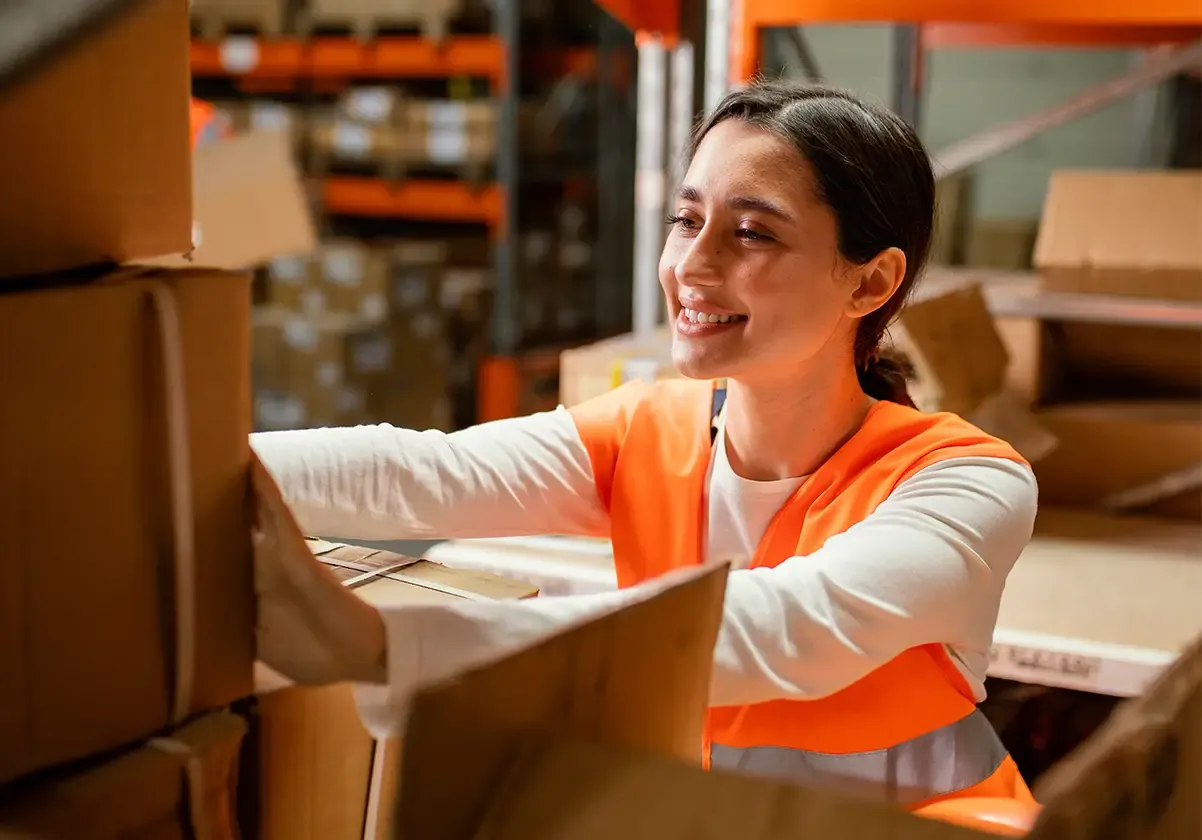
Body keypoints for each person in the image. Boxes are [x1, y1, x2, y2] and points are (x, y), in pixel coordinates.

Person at [250, 80, 1040, 810]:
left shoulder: (965, 482)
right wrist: (181, 461)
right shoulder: (650, 433)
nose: (692, 266)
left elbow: (788, 629)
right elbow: (417, 474)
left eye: (753, 232)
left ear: (869, 283)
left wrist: (374, 643)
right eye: (687, 220)